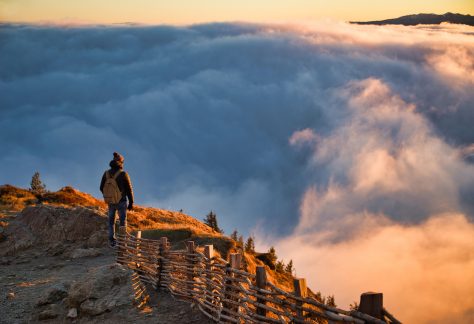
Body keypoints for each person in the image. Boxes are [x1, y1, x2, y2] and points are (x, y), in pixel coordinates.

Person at [100, 152, 134, 247]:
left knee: (111, 222)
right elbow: (129, 189)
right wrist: (131, 202)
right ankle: (123, 241)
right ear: (121, 162)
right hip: (122, 201)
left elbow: (101, 187)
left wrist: (108, 196)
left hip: (110, 202)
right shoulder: (123, 174)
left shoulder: (106, 173)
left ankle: (112, 241)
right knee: (122, 222)